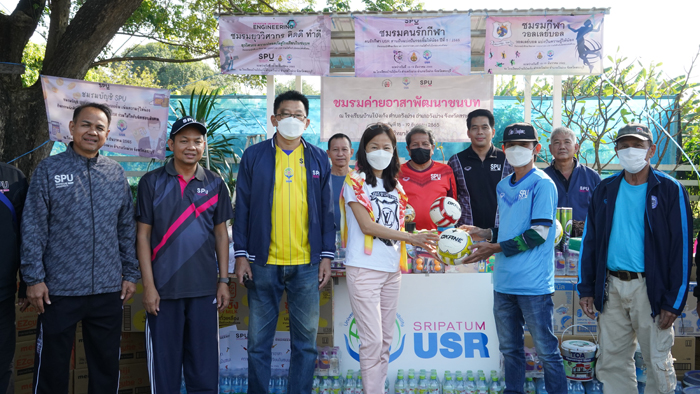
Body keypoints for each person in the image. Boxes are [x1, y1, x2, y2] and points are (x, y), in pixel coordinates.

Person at [20, 103, 140, 394]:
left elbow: (126, 228)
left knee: (105, 368)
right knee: (52, 368)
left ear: (108, 134)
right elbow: (33, 226)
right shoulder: (49, 170)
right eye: (86, 125)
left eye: (99, 127)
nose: (92, 132)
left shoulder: (115, 174)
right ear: (72, 128)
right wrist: (33, 279)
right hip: (58, 291)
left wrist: (130, 273)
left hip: (107, 290)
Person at [578, 123, 692, 394]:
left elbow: (682, 249)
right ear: (617, 150)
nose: (631, 151)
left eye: (638, 146)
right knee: (611, 362)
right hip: (612, 287)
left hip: (651, 290)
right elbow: (590, 242)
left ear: (651, 150)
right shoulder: (605, 190)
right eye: (625, 145)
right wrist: (586, 289)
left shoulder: (669, 189)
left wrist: (674, 302)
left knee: (657, 362)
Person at [233, 90, 335, 394]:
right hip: (263, 264)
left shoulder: (318, 158)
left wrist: (326, 256)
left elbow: (327, 210)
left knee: (305, 345)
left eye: (298, 115)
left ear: (306, 121)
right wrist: (241, 255)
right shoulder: (254, 156)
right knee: (258, 344)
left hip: (306, 265)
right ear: (274, 119)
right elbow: (243, 208)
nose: (292, 120)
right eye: (286, 115)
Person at [461, 122, 567, 394]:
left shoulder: (543, 184)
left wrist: (494, 248)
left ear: (536, 149)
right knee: (510, 350)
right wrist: (482, 232)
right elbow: (509, 229)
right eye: (511, 145)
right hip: (504, 283)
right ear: (504, 149)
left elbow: (538, 233)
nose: (517, 150)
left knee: (546, 352)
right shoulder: (503, 185)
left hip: (533, 285)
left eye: (524, 145)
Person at [136, 116, 234, 393]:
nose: (191, 146)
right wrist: (149, 286)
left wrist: (223, 281)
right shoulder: (151, 182)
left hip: (204, 291)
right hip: (163, 292)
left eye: (197, 141)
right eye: (184, 140)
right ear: (170, 144)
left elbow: (221, 234)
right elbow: (142, 235)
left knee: (204, 373)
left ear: (204, 145)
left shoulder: (216, 184)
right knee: (164, 374)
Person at [340, 123, 437, 394]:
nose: (380, 152)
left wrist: (421, 236)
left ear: (394, 151)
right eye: (374, 147)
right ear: (364, 150)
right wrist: (411, 238)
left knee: (385, 341)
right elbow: (367, 226)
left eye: (386, 147)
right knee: (371, 341)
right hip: (364, 269)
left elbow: (398, 229)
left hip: (391, 270)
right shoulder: (355, 181)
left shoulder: (397, 187)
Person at [448, 109, 513, 229]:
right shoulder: (456, 161)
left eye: (484, 127)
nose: (480, 132)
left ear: (492, 132)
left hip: (500, 232)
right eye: (475, 128)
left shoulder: (507, 159)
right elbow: (451, 199)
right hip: (466, 234)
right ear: (468, 133)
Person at [0, 162, 28, 393]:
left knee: (2, 363)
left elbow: (27, 234)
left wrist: (26, 284)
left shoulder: (13, 178)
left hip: (2, 293)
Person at [543, 126, 601, 237]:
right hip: (550, 240)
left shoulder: (592, 177)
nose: (562, 147)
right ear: (550, 148)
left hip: (585, 241)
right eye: (557, 143)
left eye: (567, 142)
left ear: (576, 147)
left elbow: (602, 211)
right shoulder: (543, 178)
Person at [399, 125, 457, 230]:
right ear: (408, 149)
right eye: (415, 145)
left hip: (438, 237)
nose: (420, 148)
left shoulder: (445, 171)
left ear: (432, 148)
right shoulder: (397, 172)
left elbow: (452, 204)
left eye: (425, 144)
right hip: (406, 238)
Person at [327, 133, 354, 230]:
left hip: (354, 239)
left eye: (344, 149)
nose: (340, 154)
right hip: (328, 239)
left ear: (351, 152)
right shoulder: (322, 180)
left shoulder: (360, 180)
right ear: (328, 153)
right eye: (335, 150)